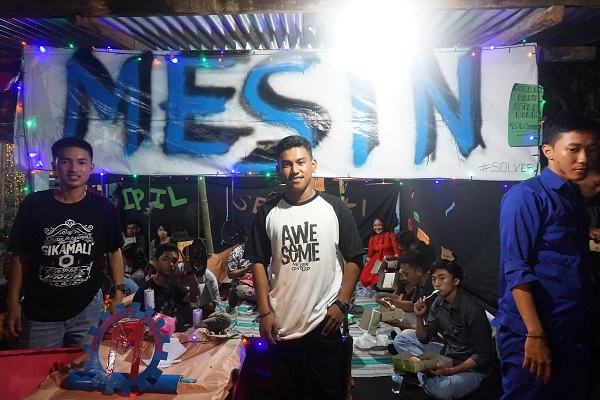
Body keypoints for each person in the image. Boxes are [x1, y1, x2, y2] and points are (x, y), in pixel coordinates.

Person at [244, 135, 365, 400]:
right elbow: (258, 262)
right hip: (282, 323)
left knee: (329, 393)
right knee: (288, 393)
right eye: (287, 164)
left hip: (325, 323)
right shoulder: (268, 212)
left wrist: (342, 303)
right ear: (279, 169)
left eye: (300, 162)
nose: (294, 170)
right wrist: (264, 312)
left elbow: (355, 258)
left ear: (313, 165)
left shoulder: (334, 208)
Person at [493, 113, 600, 400]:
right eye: (573, 149)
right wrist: (535, 334)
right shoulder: (526, 197)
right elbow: (516, 268)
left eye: (591, 149)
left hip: (572, 330)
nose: (584, 159)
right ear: (548, 151)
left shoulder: (572, 198)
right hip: (535, 331)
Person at [4, 137, 125, 349]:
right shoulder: (34, 205)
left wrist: (119, 294)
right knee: (38, 368)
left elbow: (114, 252)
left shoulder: (103, 207)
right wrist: (12, 302)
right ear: (54, 166)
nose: (74, 168)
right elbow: (19, 256)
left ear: (91, 167)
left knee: (86, 366)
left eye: (81, 162)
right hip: (40, 309)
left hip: (88, 307)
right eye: (66, 161)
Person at [412, 260, 495, 400]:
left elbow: (483, 356)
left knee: (442, 390)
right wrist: (419, 317)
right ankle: (426, 373)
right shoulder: (438, 303)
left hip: (472, 369)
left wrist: (449, 371)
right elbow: (424, 338)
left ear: (456, 281)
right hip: (448, 356)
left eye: (442, 278)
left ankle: (422, 374)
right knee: (402, 339)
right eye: (434, 279)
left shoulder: (473, 310)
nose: (436, 284)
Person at [375, 247, 438, 354]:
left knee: (400, 339)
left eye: (406, 274)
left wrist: (400, 325)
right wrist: (393, 302)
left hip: (434, 334)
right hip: (424, 326)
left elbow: (429, 329)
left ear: (419, 272)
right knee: (398, 315)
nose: (404, 277)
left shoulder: (433, 292)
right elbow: (412, 305)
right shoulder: (420, 285)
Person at [359, 217, 401, 288]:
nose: (377, 228)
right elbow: (369, 256)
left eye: (379, 225)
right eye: (375, 225)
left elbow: (397, 253)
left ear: (383, 225)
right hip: (375, 262)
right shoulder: (372, 238)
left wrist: (391, 258)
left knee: (380, 281)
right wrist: (366, 268)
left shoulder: (391, 235)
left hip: (388, 262)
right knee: (364, 278)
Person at [227, 227, 255, 309]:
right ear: (245, 237)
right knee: (256, 295)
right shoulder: (236, 253)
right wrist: (247, 269)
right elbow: (230, 274)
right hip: (241, 285)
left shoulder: (259, 251)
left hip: (257, 281)